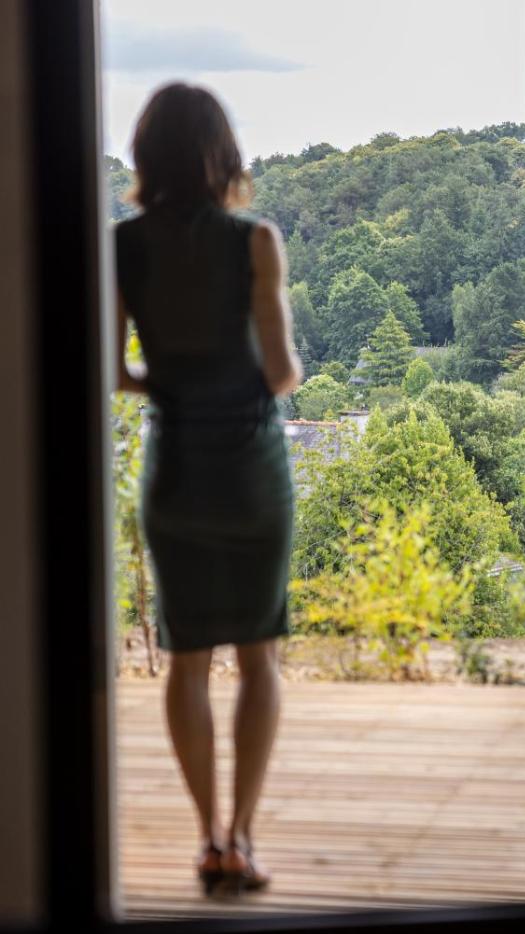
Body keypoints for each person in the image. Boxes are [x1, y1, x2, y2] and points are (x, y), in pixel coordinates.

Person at [113, 83, 302, 896]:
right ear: (223, 155)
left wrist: (170, 383)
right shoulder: (255, 240)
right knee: (259, 658)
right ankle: (244, 839)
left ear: (147, 157)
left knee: (187, 661)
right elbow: (282, 373)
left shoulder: (122, 247)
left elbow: (114, 371)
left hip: (177, 470)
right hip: (252, 468)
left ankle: (207, 839)